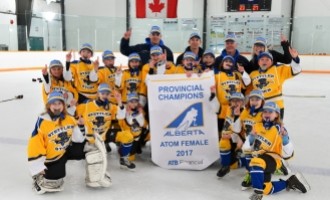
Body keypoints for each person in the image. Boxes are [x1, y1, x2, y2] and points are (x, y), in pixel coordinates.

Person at [27, 91, 86, 194]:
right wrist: (38, 167)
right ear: (48, 105)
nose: (57, 106)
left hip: (64, 151)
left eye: (59, 103)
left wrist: (80, 125)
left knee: (86, 149)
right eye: (54, 103)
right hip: (51, 158)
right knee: (55, 179)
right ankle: (38, 178)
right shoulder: (43, 122)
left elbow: (79, 139)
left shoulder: (69, 119)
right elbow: (35, 145)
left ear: (63, 105)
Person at [247, 101, 309, 200]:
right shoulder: (257, 126)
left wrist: (285, 140)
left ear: (276, 115)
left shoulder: (280, 129)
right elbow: (247, 148)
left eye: (270, 112)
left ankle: (257, 193)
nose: (267, 114)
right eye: (265, 112)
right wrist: (250, 139)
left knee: (256, 162)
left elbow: (288, 155)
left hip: (273, 160)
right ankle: (290, 182)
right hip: (260, 158)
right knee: (266, 188)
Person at [82, 83, 136, 170]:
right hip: (92, 138)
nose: (105, 96)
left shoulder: (111, 106)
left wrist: (119, 102)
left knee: (128, 136)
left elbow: (121, 116)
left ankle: (123, 159)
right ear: (98, 93)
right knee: (96, 165)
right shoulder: (88, 105)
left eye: (107, 94)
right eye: (102, 93)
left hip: (105, 134)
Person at [249, 48, 301, 119]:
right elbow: (249, 90)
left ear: (272, 62)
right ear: (258, 62)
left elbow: (296, 70)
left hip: (276, 106)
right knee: (260, 128)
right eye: (262, 59)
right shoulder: (253, 74)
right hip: (260, 107)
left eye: (267, 59)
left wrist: (295, 58)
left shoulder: (278, 69)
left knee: (275, 129)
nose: (264, 61)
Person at [214, 55, 251, 137]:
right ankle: (222, 147)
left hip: (236, 108)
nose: (228, 63)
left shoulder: (237, 75)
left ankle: (235, 148)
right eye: (226, 61)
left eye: (230, 62)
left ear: (234, 65)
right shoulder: (217, 76)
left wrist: (242, 72)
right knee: (222, 131)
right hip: (223, 109)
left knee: (235, 130)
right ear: (222, 63)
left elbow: (247, 83)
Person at [64, 43, 100, 117]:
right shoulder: (75, 64)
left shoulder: (95, 64)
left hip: (95, 96)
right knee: (80, 115)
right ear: (80, 53)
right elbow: (68, 77)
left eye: (88, 52)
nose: (85, 54)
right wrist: (67, 61)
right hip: (82, 95)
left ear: (91, 54)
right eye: (83, 51)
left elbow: (94, 79)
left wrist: (95, 69)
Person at [217, 92, 246, 178]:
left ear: (242, 102)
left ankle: (248, 160)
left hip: (241, 141)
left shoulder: (246, 113)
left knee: (233, 164)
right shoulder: (228, 109)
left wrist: (232, 136)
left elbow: (246, 133)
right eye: (233, 101)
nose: (235, 103)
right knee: (223, 142)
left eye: (238, 101)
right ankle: (225, 166)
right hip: (230, 139)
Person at [118, 92, 147, 161]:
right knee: (124, 153)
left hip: (136, 137)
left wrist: (138, 115)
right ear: (128, 102)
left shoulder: (140, 110)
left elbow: (143, 124)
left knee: (132, 157)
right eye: (131, 102)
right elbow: (121, 118)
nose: (134, 104)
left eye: (136, 101)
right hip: (127, 137)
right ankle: (122, 150)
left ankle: (138, 147)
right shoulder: (124, 110)